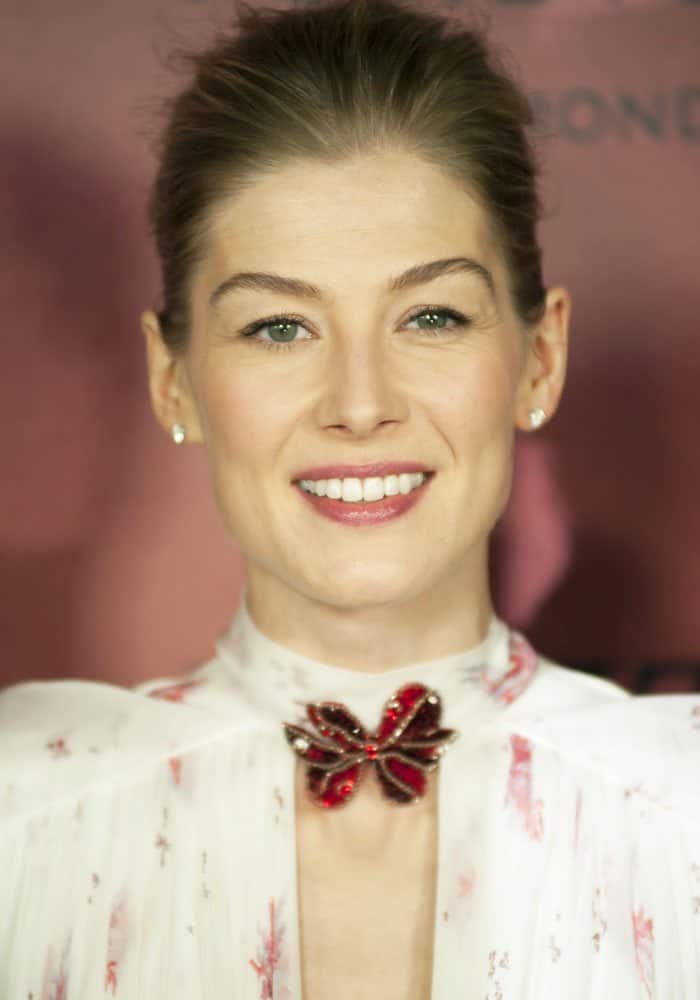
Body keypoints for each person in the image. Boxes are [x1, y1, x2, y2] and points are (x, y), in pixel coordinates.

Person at [1, 0, 698, 996]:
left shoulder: (683, 819)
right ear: (174, 379)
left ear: (538, 358)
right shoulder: (25, 820)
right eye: (279, 328)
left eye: (430, 315)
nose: (359, 403)